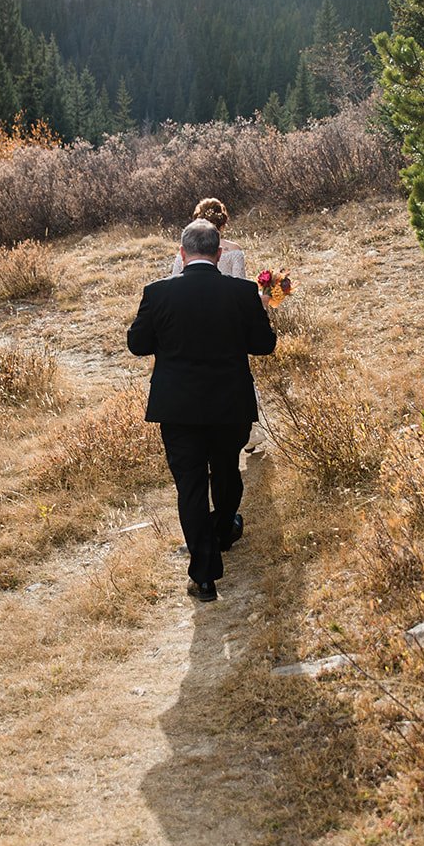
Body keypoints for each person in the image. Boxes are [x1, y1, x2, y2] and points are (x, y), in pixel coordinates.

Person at [128, 217, 277, 602]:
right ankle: (225, 528)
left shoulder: (157, 293)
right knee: (227, 471)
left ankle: (205, 576)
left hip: (178, 409)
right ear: (219, 252)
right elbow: (264, 345)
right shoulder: (243, 293)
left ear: (182, 253)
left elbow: (138, 344)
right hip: (230, 404)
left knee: (190, 487)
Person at [171, 197, 246, 278]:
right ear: (223, 221)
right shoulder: (234, 249)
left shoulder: (186, 249)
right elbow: (240, 283)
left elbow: (175, 281)